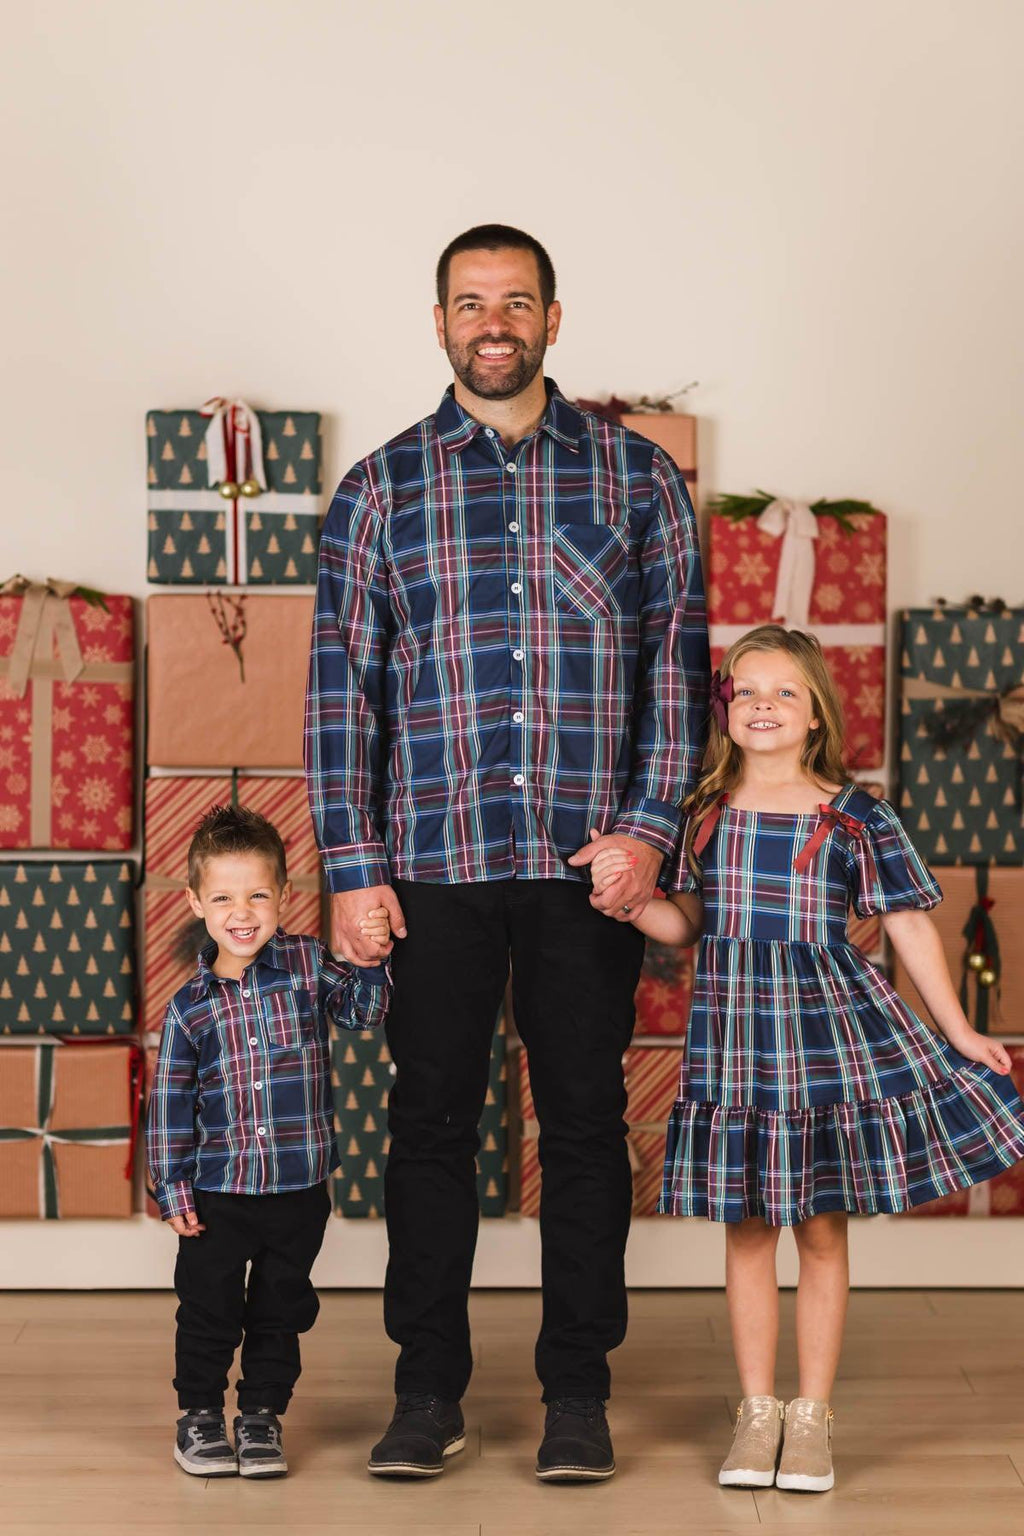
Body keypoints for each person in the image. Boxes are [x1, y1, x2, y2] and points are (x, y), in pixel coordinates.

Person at [305, 223, 709, 1480]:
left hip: (587, 867)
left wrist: (648, 836)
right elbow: (340, 696)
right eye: (470, 303)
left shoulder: (638, 480)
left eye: (515, 302)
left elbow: (676, 677)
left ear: (551, 318)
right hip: (429, 865)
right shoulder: (379, 488)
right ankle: (426, 1390)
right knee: (428, 1125)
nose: (494, 322)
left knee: (584, 1124)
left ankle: (575, 1394)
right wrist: (352, 868)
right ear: (438, 324)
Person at [590, 624, 1024, 1494]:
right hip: (737, 1044)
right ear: (725, 710)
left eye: (784, 691)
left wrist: (960, 1029)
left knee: (820, 1228)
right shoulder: (703, 814)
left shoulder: (857, 815)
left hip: (828, 1037)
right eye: (746, 690)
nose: (763, 705)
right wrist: (628, 898)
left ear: (817, 713)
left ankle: (812, 1417)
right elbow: (687, 926)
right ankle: (757, 1415)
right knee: (749, 1228)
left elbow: (906, 924)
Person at [146, 804, 391, 1480]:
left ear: (285, 896)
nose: (242, 911)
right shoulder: (189, 1008)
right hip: (217, 1193)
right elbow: (168, 1106)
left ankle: (261, 1416)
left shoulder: (308, 967)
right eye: (222, 897)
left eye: (258, 893)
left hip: (297, 1187)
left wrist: (370, 953)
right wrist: (171, 1187)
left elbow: (366, 1013)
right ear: (196, 902)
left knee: (283, 1308)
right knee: (208, 1309)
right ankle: (198, 1416)